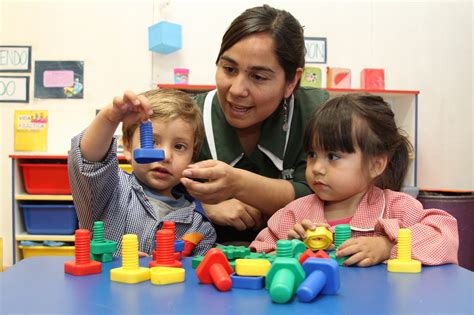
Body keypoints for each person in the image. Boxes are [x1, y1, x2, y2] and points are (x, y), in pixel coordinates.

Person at [250, 94, 459, 266]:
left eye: (333, 156)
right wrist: (288, 250)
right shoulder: (294, 214)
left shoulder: (396, 208)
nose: (317, 168)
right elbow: (257, 253)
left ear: (376, 165)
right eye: (312, 154)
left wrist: (387, 247)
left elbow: (444, 235)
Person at [180, 5, 329, 244]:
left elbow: (327, 193)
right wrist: (202, 207)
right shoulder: (187, 117)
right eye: (229, 69)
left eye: (258, 77)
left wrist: (238, 184)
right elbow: (143, 194)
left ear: (291, 81)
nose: (237, 90)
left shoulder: (320, 114)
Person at [68, 89, 216, 256]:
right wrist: (110, 118)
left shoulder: (199, 226)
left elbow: (196, 277)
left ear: (192, 157)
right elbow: (89, 161)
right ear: (128, 147)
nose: (165, 156)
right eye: (151, 142)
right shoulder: (110, 190)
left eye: (179, 146)